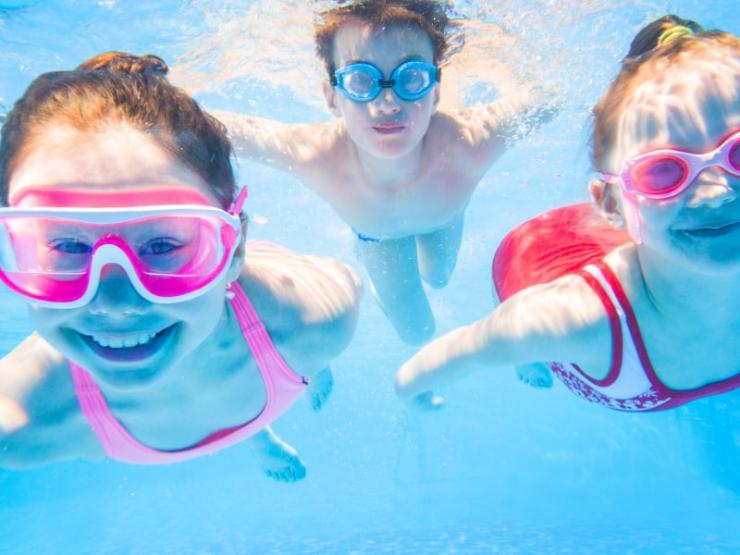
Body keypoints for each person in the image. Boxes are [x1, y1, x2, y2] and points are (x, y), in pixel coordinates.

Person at [0, 52, 362, 480]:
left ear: (236, 249)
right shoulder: (20, 426)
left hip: (265, 334)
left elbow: (344, 280)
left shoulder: (314, 323)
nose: (115, 304)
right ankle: (259, 434)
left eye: (160, 243)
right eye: (66, 244)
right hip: (250, 345)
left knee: (301, 353)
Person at [395, 16, 740, 412]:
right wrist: (414, 391)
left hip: (643, 232)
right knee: (529, 350)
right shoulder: (567, 322)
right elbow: (445, 358)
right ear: (611, 203)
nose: (717, 192)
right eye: (662, 171)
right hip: (536, 256)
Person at [216, 0, 555, 344]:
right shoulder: (315, 154)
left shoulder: (468, 142)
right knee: (417, 331)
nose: (388, 103)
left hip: (445, 220)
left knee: (439, 276)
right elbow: (222, 129)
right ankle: (374, 272)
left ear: (435, 92)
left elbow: (548, 95)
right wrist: (159, 90)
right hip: (378, 238)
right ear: (333, 98)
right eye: (362, 81)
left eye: (412, 78)